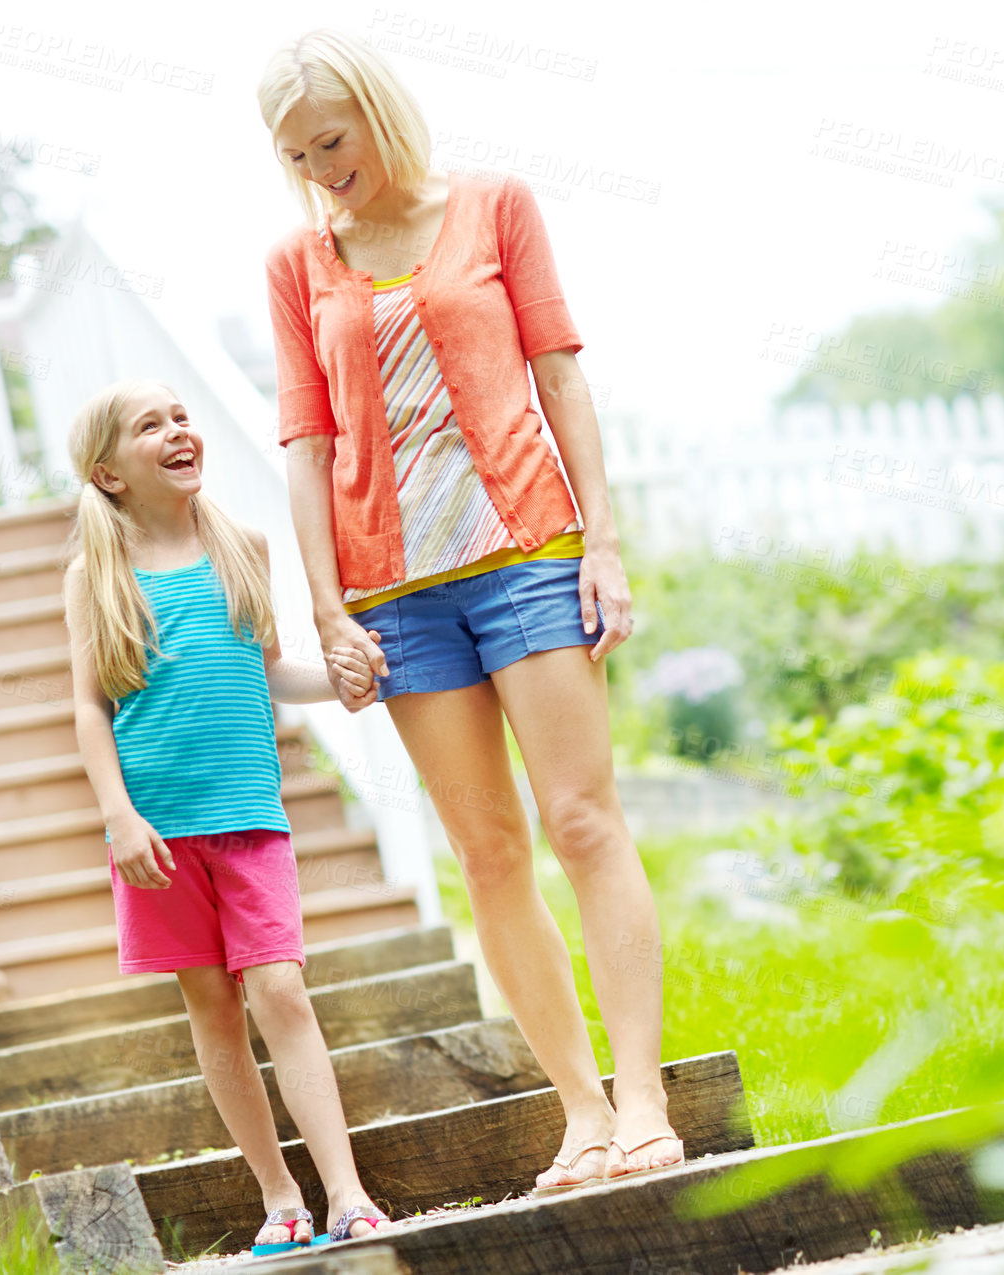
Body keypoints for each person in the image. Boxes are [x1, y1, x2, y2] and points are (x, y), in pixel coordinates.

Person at [256, 27, 683, 1193]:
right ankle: (582, 1115)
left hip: (530, 556)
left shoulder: (494, 203)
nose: (318, 168)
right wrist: (329, 611)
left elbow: (558, 375)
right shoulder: (300, 265)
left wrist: (602, 543)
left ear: (379, 115)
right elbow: (306, 444)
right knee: (489, 856)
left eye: (331, 140)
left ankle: (644, 1098)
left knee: (583, 822)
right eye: (295, 152)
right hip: (398, 596)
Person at [63, 377, 396, 1252]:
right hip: (157, 835)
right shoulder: (95, 576)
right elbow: (91, 709)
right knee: (211, 1006)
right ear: (109, 474)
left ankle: (346, 1191)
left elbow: (273, 668)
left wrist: (342, 683)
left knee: (280, 987)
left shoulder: (242, 545)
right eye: (151, 426)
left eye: (181, 417)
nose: (179, 431)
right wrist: (119, 818)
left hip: (248, 814)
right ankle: (279, 1195)